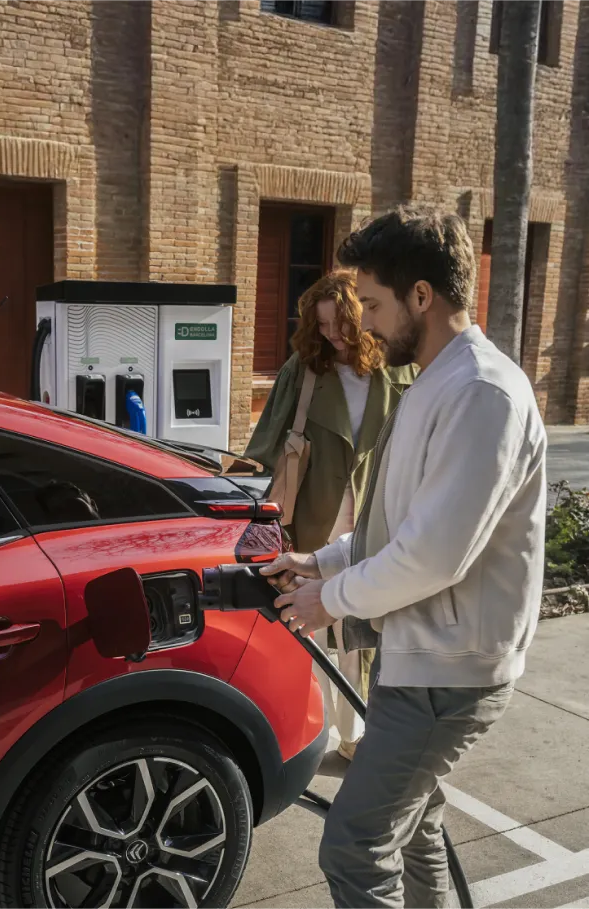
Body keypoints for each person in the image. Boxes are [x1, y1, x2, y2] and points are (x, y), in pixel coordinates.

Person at [263, 206, 547, 909]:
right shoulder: (434, 381)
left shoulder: (480, 391)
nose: (366, 322)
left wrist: (325, 600)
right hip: (419, 656)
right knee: (413, 824)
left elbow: (432, 554)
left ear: (422, 296)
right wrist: (320, 562)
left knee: (354, 845)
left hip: (447, 673)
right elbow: (396, 529)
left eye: (377, 303)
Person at [245, 270, 416, 760]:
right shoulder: (304, 369)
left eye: (340, 324)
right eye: (321, 326)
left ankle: (354, 734)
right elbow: (267, 451)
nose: (331, 335)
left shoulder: (400, 372)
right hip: (312, 519)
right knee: (309, 632)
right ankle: (309, 732)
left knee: (361, 635)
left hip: (375, 520)